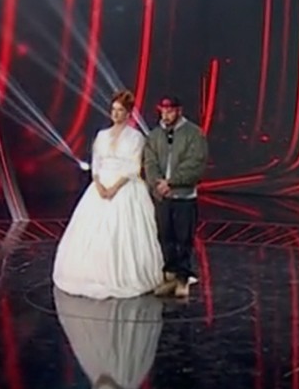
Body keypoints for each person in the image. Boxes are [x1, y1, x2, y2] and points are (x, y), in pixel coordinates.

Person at [52, 90, 163, 299]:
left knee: (122, 233)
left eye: (120, 110)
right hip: (100, 186)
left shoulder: (136, 137)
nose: (115, 114)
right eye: (113, 110)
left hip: (125, 186)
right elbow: (97, 162)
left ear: (128, 113)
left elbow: (132, 166)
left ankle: (125, 275)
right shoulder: (102, 135)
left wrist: (114, 188)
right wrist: (99, 184)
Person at [143, 96, 208, 298]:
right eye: (163, 110)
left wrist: (171, 182)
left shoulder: (194, 134)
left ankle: (182, 279)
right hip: (163, 197)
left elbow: (195, 164)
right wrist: (158, 184)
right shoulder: (155, 135)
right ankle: (169, 277)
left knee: (183, 238)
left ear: (179, 111)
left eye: (170, 111)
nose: (166, 114)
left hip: (184, 197)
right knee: (165, 236)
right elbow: (150, 162)